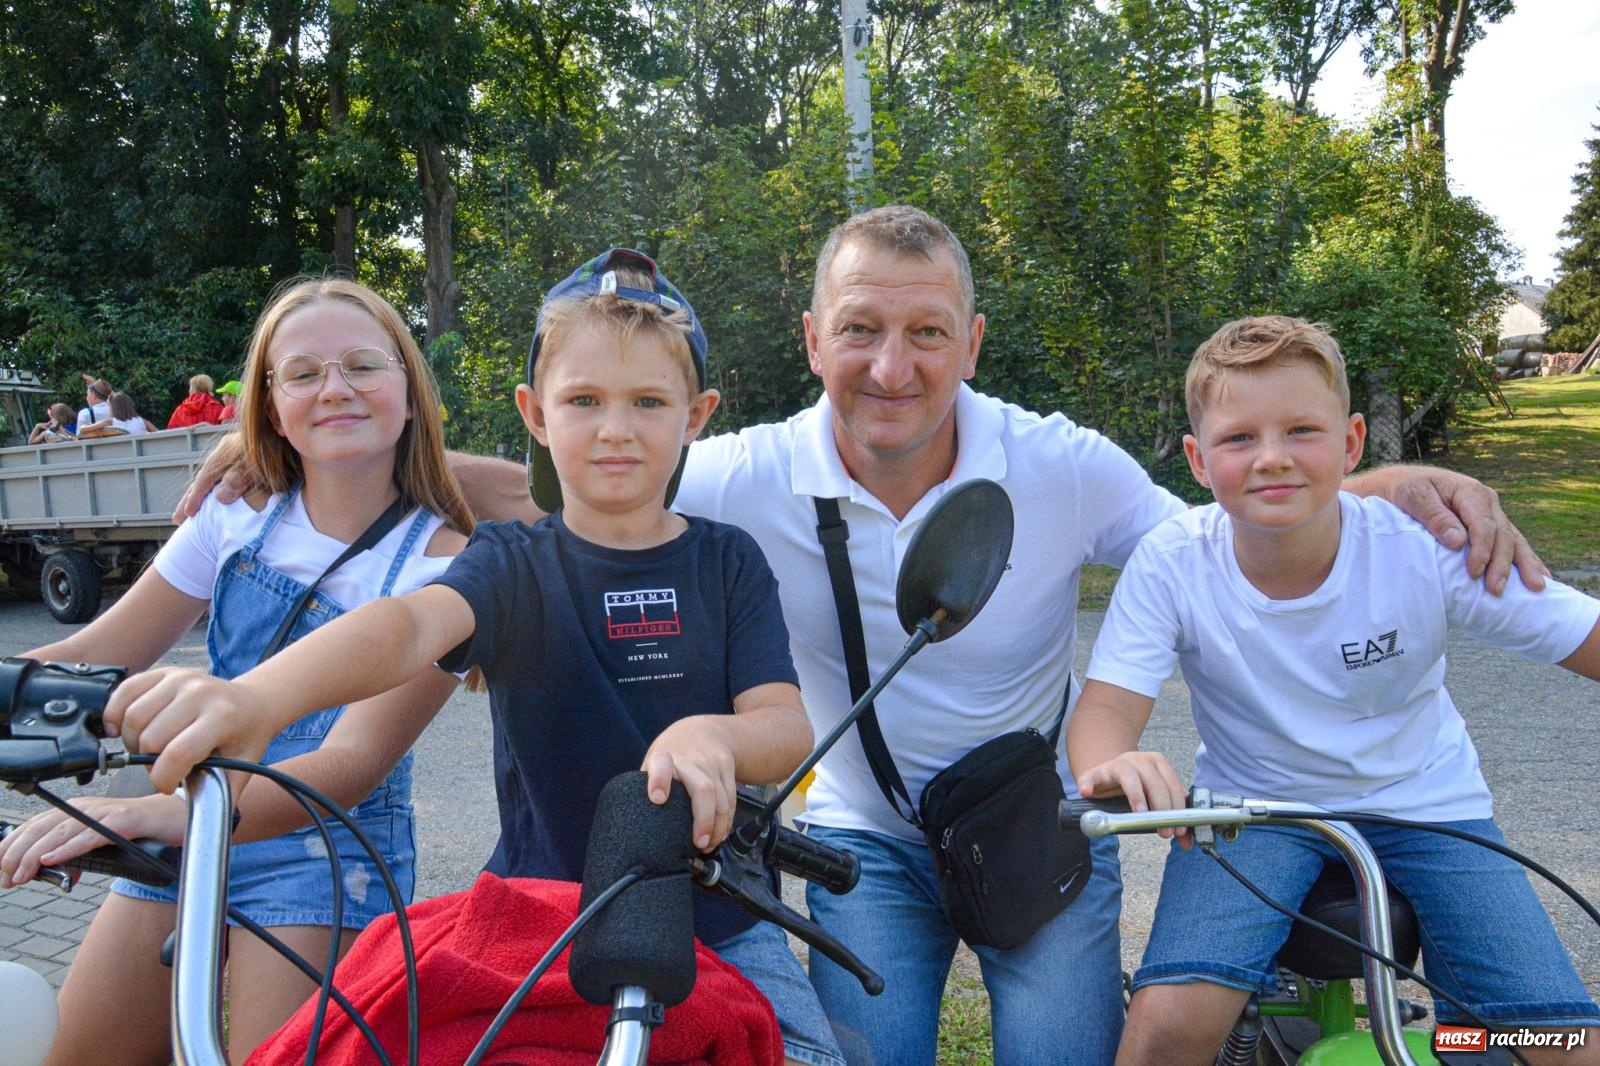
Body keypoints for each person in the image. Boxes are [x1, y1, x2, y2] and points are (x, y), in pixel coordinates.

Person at [176, 207, 1547, 1065]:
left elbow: (1221, 512)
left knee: (1083, 1048)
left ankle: (1420, 1031)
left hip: (1023, 818)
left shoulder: (1050, 462)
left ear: (971, 337)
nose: (892, 364)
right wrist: (300, 470)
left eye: (926, 331)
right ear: (812, 336)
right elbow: (548, 511)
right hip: (855, 841)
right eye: (860, 330)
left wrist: (1370, 487)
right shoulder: (734, 478)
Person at [108, 249, 843, 1066]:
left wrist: (718, 739)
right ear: (535, 412)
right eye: (584, 400)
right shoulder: (508, 562)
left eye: (648, 402)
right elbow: (405, 628)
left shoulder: (728, 561)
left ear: (696, 414)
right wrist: (258, 701)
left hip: (727, 924)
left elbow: (784, 724)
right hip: (539, 917)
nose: (615, 429)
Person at [1068, 316, 1600, 1066]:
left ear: (1352, 443)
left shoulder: (1422, 548)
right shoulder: (1173, 561)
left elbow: (1581, 632)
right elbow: (1105, 710)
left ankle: (1457, 1041)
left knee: (1562, 1044)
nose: (1273, 459)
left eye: (1301, 432)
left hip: (1430, 805)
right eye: (1238, 438)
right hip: (1252, 810)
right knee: (1167, 1031)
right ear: (1196, 458)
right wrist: (1112, 761)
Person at [0, 277, 475, 1065]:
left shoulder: (446, 563)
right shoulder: (235, 513)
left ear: (410, 391)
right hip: (179, 826)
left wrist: (151, 815)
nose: (335, 389)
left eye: (364, 365)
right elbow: (99, 655)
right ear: (270, 406)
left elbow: (350, 764)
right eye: (302, 373)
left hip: (324, 849)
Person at [80, 391, 156, 436]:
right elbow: (159, 433)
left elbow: (83, 430)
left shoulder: (110, 422)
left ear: (113, 408)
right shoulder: (142, 420)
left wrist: (83, 425)